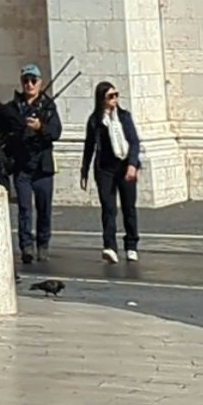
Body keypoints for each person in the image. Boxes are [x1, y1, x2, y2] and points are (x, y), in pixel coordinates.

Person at [1, 62, 63, 267]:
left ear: (40, 82)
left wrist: (40, 127)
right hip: (22, 167)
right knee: (24, 209)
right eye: (26, 80)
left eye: (33, 80)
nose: (29, 84)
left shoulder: (48, 106)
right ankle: (26, 246)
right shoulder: (13, 108)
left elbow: (56, 132)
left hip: (43, 167)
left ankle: (43, 244)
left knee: (44, 209)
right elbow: (6, 132)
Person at [80, 78, 143, 268]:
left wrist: (132, 164)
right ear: (102, 99)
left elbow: (134, 141)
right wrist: (84, 171)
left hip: (125, 166)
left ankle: (131, 245)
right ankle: (110, 246)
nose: (114, 99)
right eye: (110, 96)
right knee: (108, 208)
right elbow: (89, 147)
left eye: (116, 95)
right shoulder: (95, 121)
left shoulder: (124, 117)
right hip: (105, 169)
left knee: (129, 207)